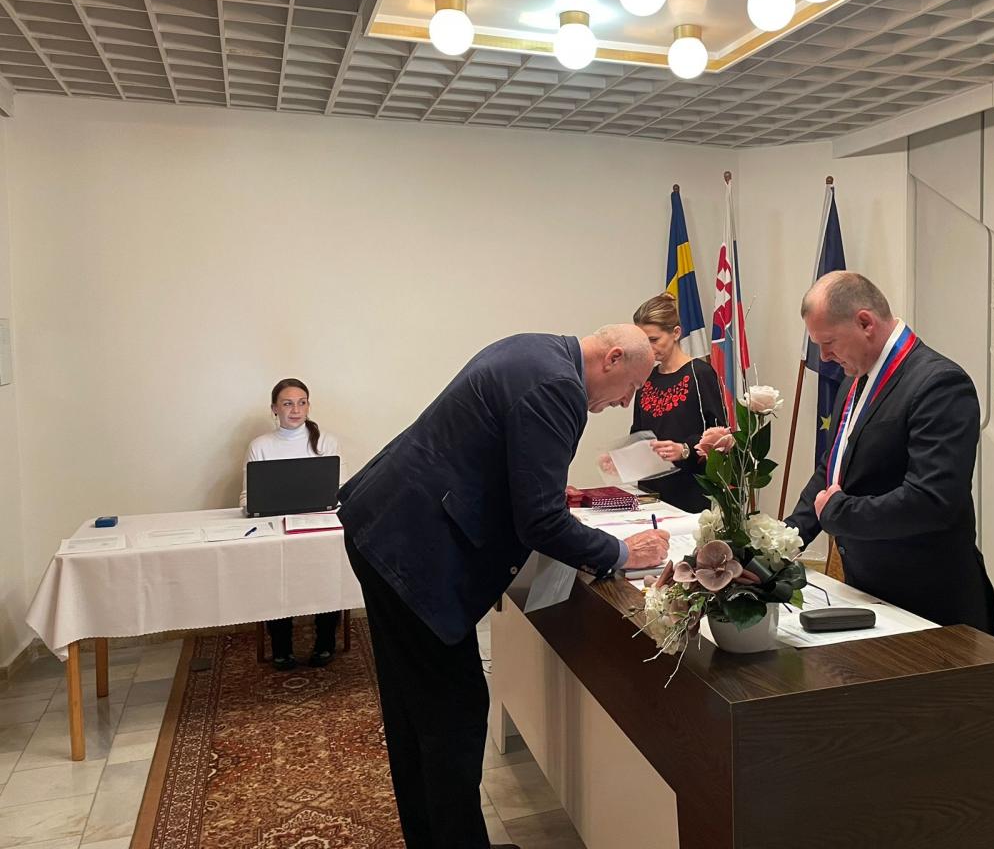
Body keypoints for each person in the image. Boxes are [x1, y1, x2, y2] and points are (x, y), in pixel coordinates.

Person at [338, 327, 671, 849]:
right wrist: (625, 554)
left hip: (387, 526)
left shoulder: (539, 350)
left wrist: (538, 486)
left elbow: (492, 455)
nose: (626, 402)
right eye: (631, 387)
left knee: (414, 709)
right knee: (453, 716)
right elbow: (541, 523)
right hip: (412, 551)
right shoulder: (558, 387)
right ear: (611, 359)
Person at [777, 272, 994, 636]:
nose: (824, 357)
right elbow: (832, 470)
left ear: (865, 322)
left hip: (931, 606)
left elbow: (932, 501)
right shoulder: (854, 380)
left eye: (829, 342)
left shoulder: (939, 383)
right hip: (870, 594)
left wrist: (838, 513)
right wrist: (779, 544)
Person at [240, 377, 345, 670]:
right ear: (274, 408)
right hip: (277, 531)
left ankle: (325, 642)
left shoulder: (327, 441)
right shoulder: (260, 446)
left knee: (328, 576)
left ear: (309, 406)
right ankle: (281, 647)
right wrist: (258, 507)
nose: (295, 410)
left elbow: (341, 489)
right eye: (287, 403)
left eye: (301, 403)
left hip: (318, 528)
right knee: (275, 579)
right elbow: (246, 497)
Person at [627, 293, 726, 512]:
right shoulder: (646, 377)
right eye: (643, 341)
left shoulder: (700, 374)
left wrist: (685, 449)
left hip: (689, 492)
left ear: (676, 333)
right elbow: (638, 432)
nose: (648, 347)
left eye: (654, 340)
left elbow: (720, 434)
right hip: (649, 493)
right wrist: (620, 458)